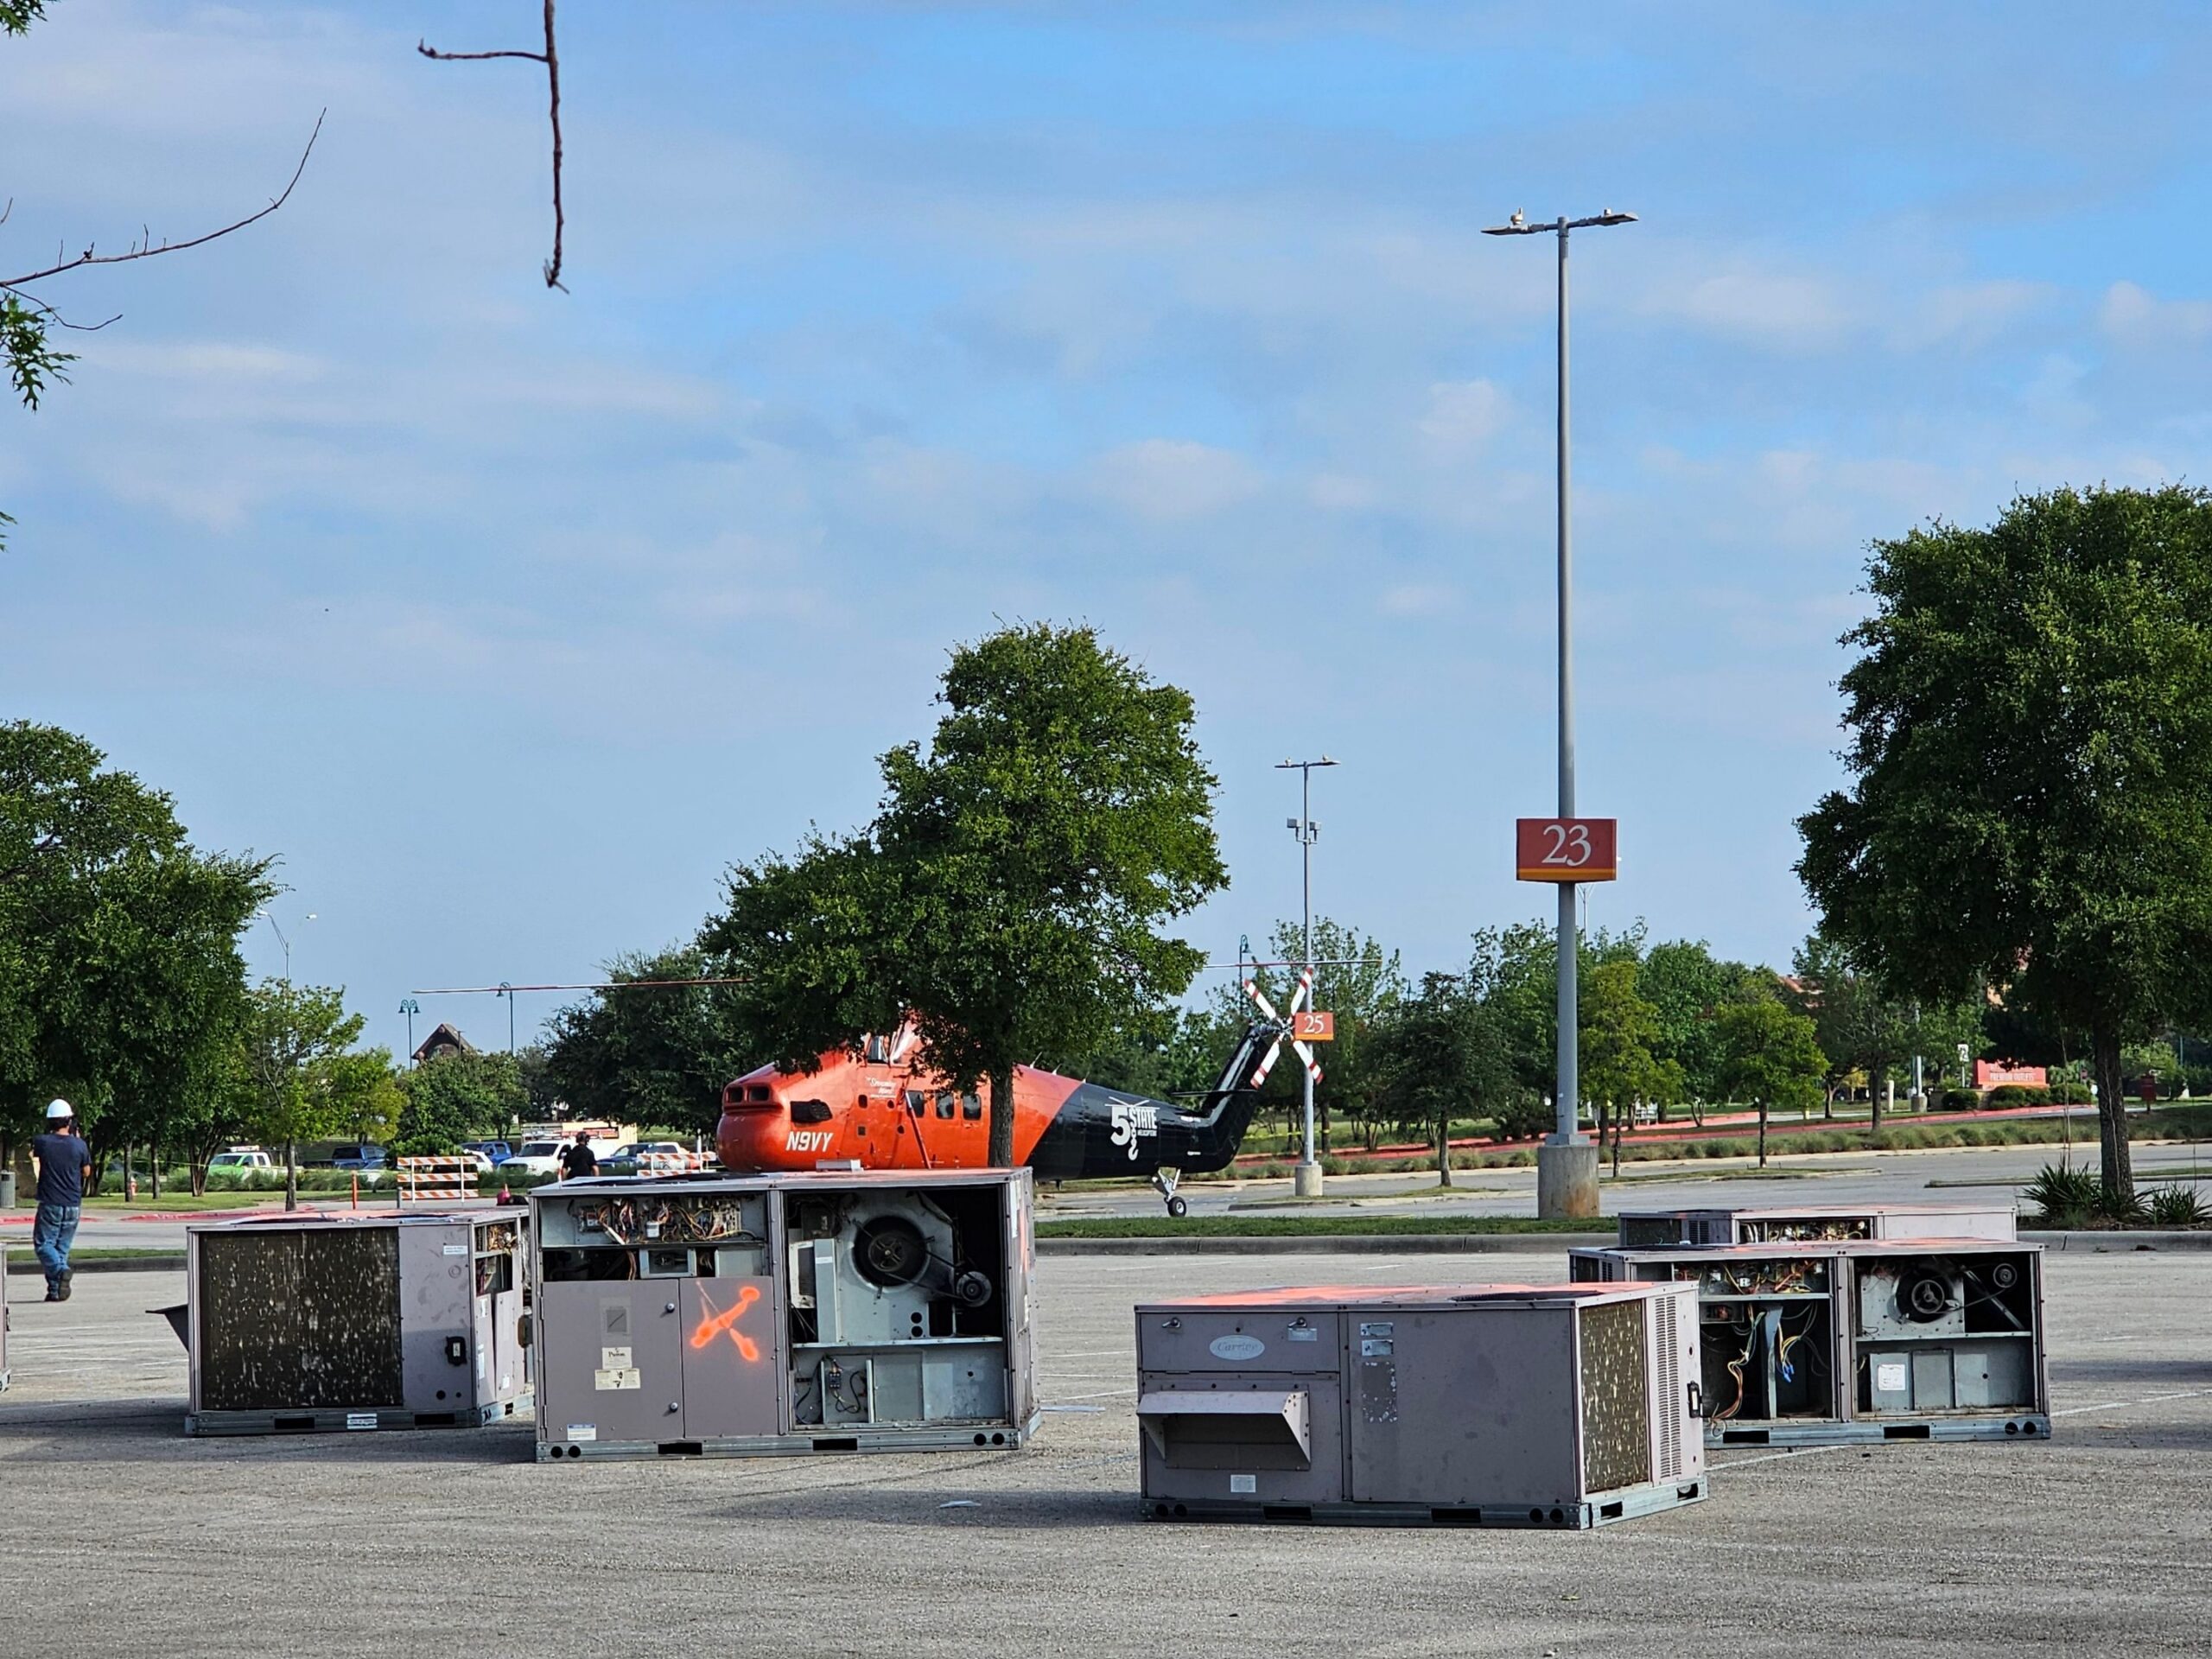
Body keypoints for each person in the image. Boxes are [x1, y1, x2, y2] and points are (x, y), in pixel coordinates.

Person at [30, 1099, 92, 1303]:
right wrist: (76, 1140)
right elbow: (86, 1172)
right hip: (73, 1203)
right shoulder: (80, 1145)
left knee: (43, 1245)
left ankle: (61, 1270)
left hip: (50, 1202)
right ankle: (55, 1291)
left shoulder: (42, 1142)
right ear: (69, 1121)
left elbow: (36, 1154)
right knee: (61, 1248)